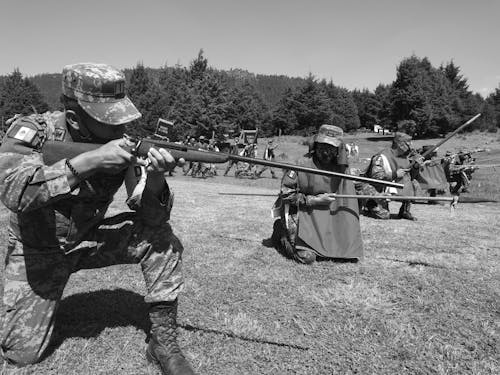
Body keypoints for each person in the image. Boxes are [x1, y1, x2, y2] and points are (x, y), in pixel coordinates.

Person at [0, 63, 196, 375]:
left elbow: (151, 216)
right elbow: (15, 192)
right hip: (37, 251)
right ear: (76, 117)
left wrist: (156, 180)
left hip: (88, 241)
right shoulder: (34, 132)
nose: (120, 129)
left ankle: (163, 341)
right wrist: (90, 161)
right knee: (21, 354)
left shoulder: (123, 145)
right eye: (110, 121)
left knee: (161, 238)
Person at [270, 125, 363, 264]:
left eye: (332, 147)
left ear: (339, 149)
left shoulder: (343, 169)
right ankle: (281, 232)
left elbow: (356, 192)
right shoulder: (300, 164)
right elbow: (286, 195)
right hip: (301, 209)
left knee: (345, 254)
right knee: (307, 257)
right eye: (323, 146)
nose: (326, 152)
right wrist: (314, 200)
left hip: (325, 215)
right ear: (315, 144)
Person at [357, 132, 420, 221]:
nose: (411, 145)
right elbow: (376, 177)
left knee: (412, 183)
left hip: (389, 185)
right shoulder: (382, 156)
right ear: (400, 144)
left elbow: (411, 177)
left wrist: (415, 167)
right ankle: (369, 203)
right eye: (408, 142)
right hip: (373, 186)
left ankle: (405, 210)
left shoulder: (405, 157)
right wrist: (395, 174)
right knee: (384, 215)